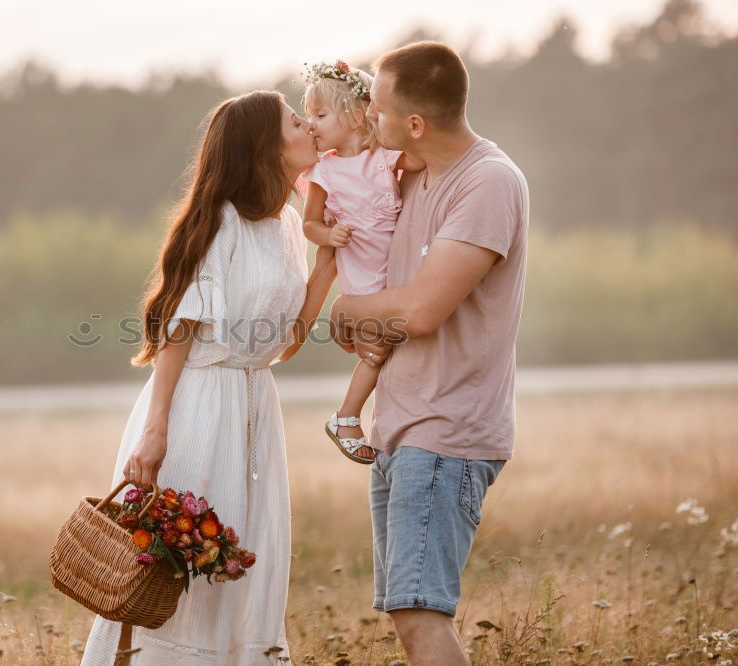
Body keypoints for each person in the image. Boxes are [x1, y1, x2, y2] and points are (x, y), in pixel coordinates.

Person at [80, 90, 335, 665]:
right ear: (266, 147)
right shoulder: (219, 223)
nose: (310, 127)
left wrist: (329, 266)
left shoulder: (290, 226)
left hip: (253, 404)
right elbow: (179, 329)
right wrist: (156, 428)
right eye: (297, 121)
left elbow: (288, 342)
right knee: (187, 563)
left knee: (244, 555)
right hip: (199, 403)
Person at [329, 42, 530, 665]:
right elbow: (347, 158)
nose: (372, 121)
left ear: (416, 123)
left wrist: (342, 312)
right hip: (402, 429)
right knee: (408, 614)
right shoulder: (413, 170)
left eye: (381, 111)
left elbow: (420, 312)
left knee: (422, 616)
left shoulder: (488, 182)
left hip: (445, 433)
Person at [299, 59, 425, 464]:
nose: (311, 124)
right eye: (307, 116)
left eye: (320, 115)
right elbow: (310, 224)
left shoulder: (383, 158)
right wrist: (328, 235)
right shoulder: (325, 171)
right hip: (363, 280)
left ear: (356, 116)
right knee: (376, 352)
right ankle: (346, 416)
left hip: (397, 274)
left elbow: (421, 160)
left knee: (390, 346)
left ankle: (373, 418)